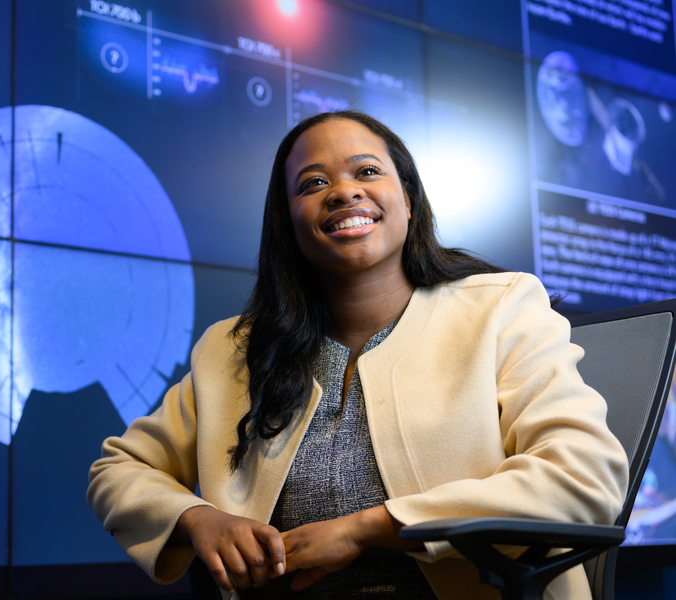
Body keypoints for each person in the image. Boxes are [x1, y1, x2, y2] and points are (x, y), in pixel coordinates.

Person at [87, 110, 628, 599]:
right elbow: (120, 469)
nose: (344, 192)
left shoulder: (503, 309)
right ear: (289, 223)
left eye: (367, 172)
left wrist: (366, 528)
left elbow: (582, 478)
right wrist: (198, 518)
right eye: (314, 183)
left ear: (409, 200)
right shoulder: (232, 350)